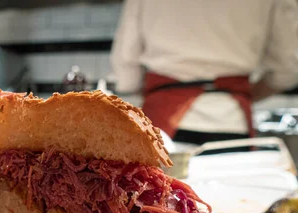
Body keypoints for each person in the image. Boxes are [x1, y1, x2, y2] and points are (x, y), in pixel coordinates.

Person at [110, 0, 298, 145]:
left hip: (162, 130)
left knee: (155, 194)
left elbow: (126, 69)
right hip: (231, 124)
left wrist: (155, 90)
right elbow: (289, 67)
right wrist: (246, 93)